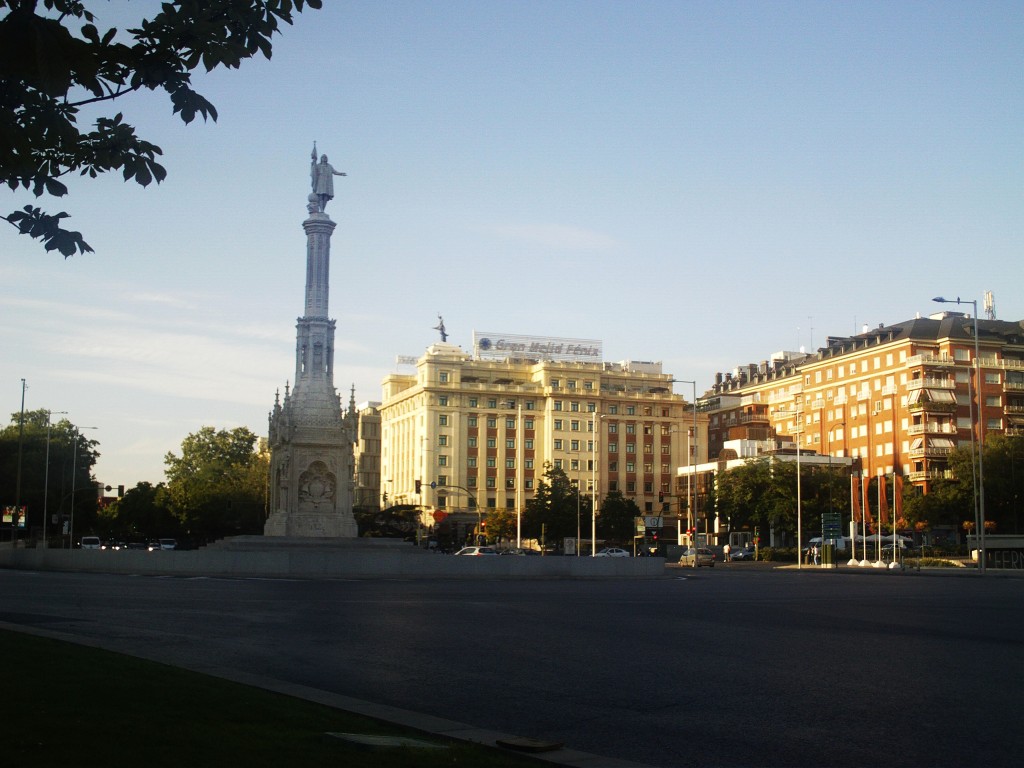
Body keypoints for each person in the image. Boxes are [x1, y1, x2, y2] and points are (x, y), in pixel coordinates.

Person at [310, 146, 346, 211]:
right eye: (323, 157)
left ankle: (322, 209)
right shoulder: (318, 165)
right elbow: (314, 172)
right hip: (320, 183)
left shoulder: (329, 166)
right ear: (321, 159)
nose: (324, 158)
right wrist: (313, 163)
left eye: (325, 157)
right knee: (320, 195)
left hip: (327, 183)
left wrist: (341, 174)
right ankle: (321, 209)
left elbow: (335, 172)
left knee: (326, 197)